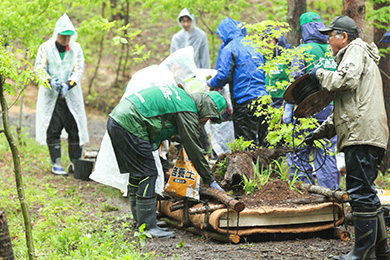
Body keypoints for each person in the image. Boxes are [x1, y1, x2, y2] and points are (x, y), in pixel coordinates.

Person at [307, 15, 389, 260]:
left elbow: (345, 80)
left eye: (330, 35)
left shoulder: (354, 51)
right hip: (366, 131)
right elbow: (346, 107)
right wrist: (319, 133)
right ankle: (380, 250)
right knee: (367, 192)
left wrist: (320, 74)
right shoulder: (359, 54)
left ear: (343, 37)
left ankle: (361, 253)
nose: (328, 40)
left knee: (360, 192)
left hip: (360, 134)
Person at [107, 84, 226, 238]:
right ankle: (148, 227)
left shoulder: (182, 98)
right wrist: (210, 180)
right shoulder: (187, 108)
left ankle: (141, 222)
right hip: (130, 123)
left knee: (138, 173)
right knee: (148, 173)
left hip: (118, 119)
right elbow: (194, 148)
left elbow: (164, 122)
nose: (205, 121)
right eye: (208, 118)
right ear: (207, 108)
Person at [284, 12, 340, 190]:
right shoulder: (333, 51)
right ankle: (330, 195)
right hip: (331, 110)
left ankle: (305, 192)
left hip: (306, 110)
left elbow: (294, 80)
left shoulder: (303, 50)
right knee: (326, 153)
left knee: (299, 153)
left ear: (305, 29)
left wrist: (288, 109)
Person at [34, 13, 89, 176]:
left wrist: (69, 84)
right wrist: (49, 81)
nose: (66, 40)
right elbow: (39, 68)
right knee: (53, 129)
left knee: (74, 128)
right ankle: (56, 163)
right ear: (57, 34)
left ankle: (75, 161)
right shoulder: (45, 48)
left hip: (70, 96)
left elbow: (78, 69)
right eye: (63, 36)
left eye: (68, 36)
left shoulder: (76, 48)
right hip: (51, 96)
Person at [207, 17, 267, 148]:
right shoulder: (253, 46)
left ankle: (250, 168)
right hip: (263, 99)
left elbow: (223, 76)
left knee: (246, 142)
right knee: (264, 141)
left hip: (244, 101)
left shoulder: (229, 48)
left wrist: (210, 82)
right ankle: (267, 168)